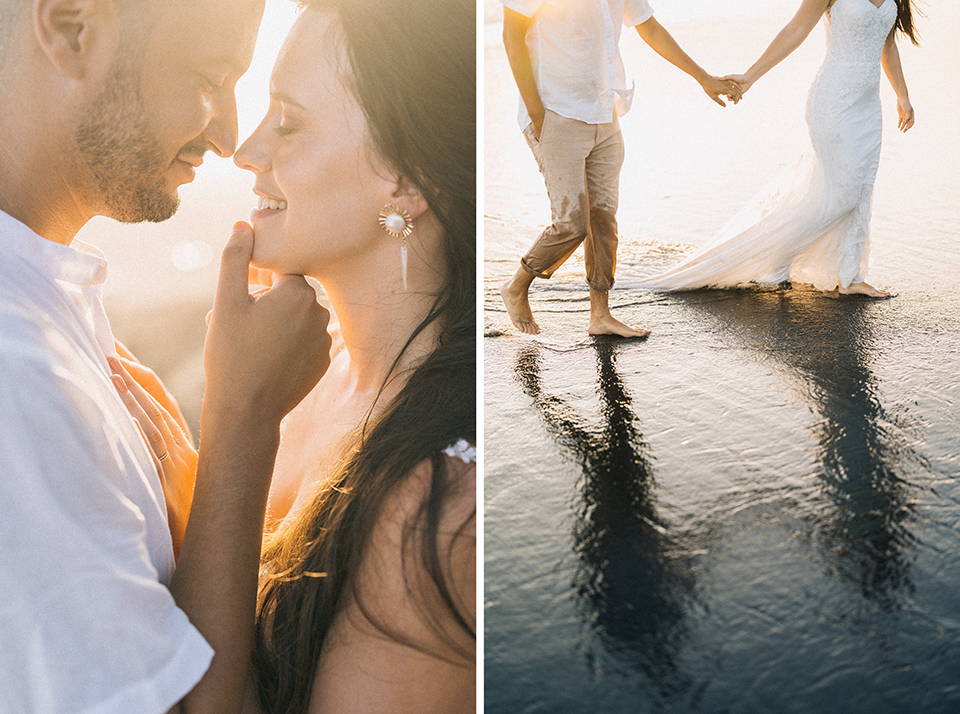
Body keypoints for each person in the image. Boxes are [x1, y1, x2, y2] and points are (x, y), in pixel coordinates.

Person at [0, 0, 332, 712]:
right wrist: (243, 419)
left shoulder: (41, 302)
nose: (228, 136)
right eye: (210, 77)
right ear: (72, 30)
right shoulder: (16, 371)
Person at [155, 0, 472, 711]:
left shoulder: (445, 512)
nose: (246, 150)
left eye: (289, 122)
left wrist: (236, 416)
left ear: (408, 180)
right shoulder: (305, 386)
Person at [638, 0, 917, 296]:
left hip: (868, 107)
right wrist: (750, 76)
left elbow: (886, 43)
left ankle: (850, 277)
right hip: (834, 102)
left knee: (861, 189)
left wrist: (902, 96)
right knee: (844, 195)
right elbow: (795, 30)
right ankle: (772, 256)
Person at [497, 0, 741, 337]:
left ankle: (600, 315)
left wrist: (703, 78)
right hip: (555, 110)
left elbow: (649, 27)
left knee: (603, 219)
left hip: (603, 111)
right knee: (571, 225)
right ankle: (516, 286)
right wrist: (538, 113)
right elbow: (512, 34)